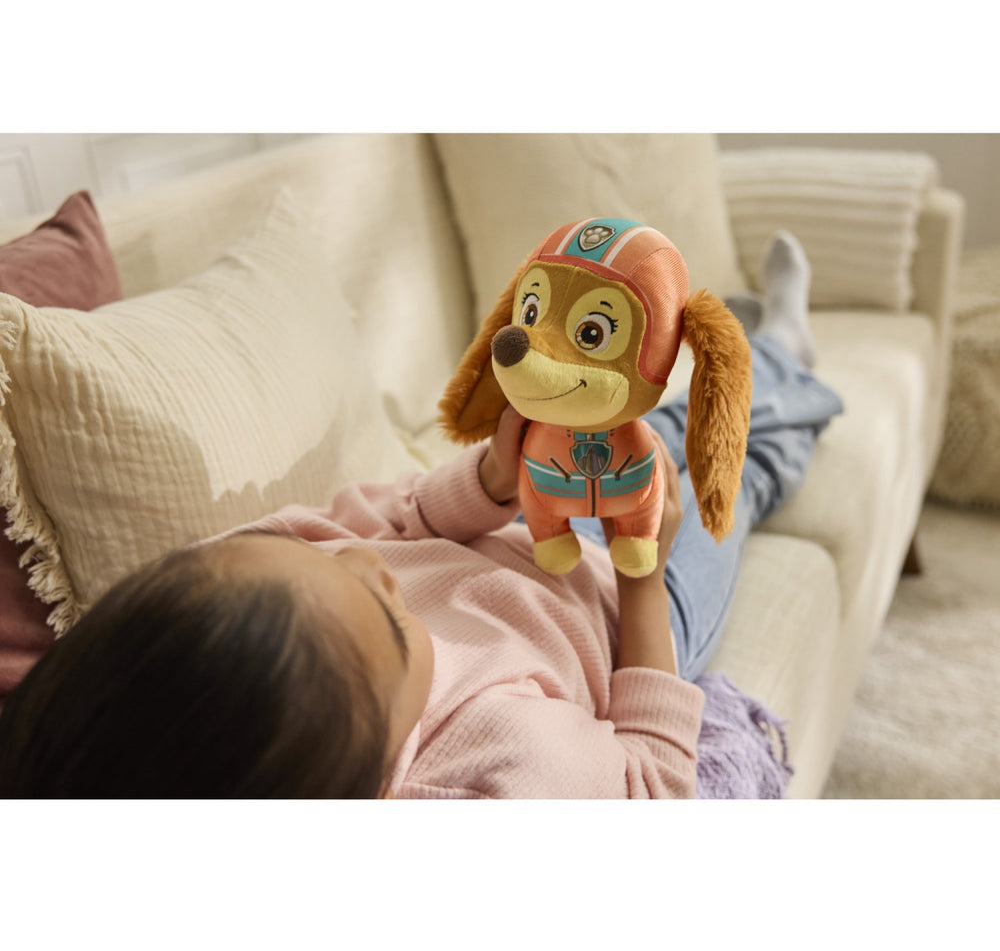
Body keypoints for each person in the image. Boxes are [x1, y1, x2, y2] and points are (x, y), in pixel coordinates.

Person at [0, 233, 843, 799]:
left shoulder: (237, 585)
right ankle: (784, 353)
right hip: (626, 610)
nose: (365, 562)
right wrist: (646, 576)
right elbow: (651, 779)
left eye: (322, 557)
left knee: (642, 428)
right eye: (392, 620)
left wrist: (493, 480)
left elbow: (391, 522)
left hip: (525, 521)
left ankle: (769, 365)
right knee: (730, 475)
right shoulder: (496, 771)